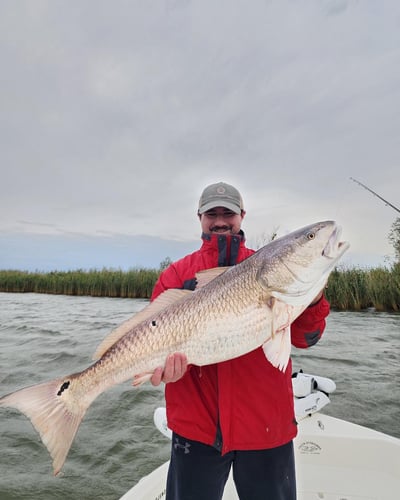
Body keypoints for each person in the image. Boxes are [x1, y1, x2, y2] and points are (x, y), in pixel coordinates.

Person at [150, 181, 330, 500]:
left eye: (228, 213)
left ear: (242, 215)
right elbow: (152, 341)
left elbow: (306, 339)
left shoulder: (273, 265)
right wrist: (164, 370)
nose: (220, 220)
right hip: (196, 430)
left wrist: (313, 297)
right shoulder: (177, 276)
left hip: (266, 426)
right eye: (212, 213)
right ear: (200, 217)